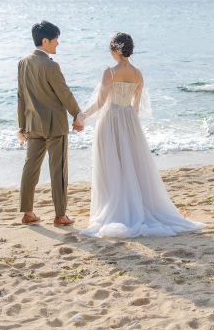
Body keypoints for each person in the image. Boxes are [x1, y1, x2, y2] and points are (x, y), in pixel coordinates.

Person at [76, 33, 205, 238]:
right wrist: (128, 120)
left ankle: (116, 207)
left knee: (112, 163)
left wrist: (80, 117)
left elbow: (100, 103)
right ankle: (134, 204)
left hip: (111, 120)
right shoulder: (138, 74)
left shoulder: (109, 72)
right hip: (129, 121)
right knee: (132, 164)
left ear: (114, 50)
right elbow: (136, 106)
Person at [16, 21, 84, 226]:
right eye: (55, 40)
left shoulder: (23, 62)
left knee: (30, 168)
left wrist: (21, 126)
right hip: (55, 126)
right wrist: (77, 116)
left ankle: (28, 213)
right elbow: (64, 93)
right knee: (58, 170)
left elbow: (20, 96)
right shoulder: (51, 65)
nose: (57, 44)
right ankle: (60, 215)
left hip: (32, 124)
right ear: (45, 41)